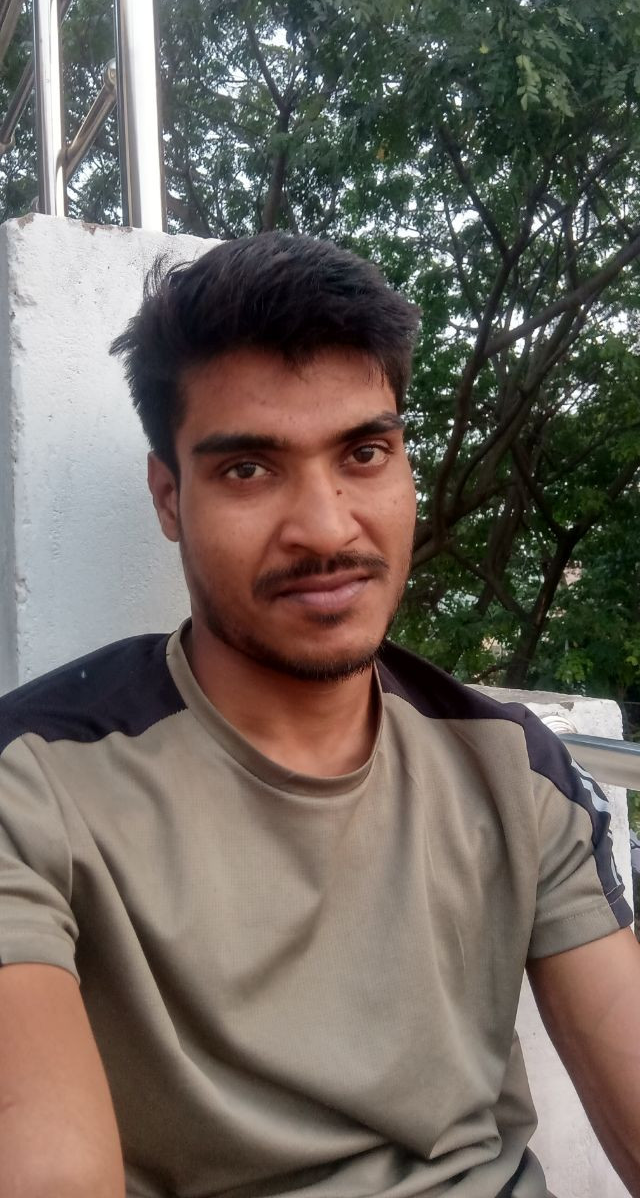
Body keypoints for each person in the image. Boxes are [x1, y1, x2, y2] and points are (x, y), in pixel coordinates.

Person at [0, 233, 638, 1198]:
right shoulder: (35, 783)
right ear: (169, 497)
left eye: (365, 453)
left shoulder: (514, 772)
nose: (327, 528)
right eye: (249, 470)